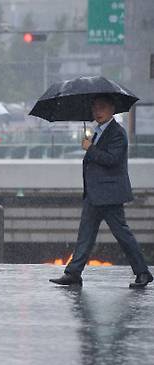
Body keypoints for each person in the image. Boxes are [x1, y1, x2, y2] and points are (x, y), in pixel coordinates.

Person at [50, 95, 152, 288]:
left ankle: (143, 273)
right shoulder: (97, 131)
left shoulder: (117, 133)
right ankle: (73, 273)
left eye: (102, 108)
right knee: (85, 236)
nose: (97, 112)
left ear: (112, 109)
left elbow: (112, 159)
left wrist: (90, 148)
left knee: (122, 235)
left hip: (110, 195)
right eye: (95, 108)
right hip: (94, 194)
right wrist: (91, 147)